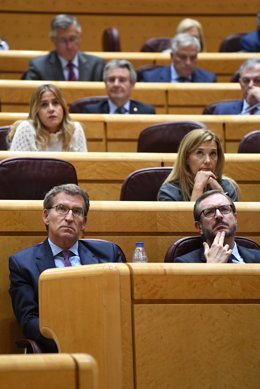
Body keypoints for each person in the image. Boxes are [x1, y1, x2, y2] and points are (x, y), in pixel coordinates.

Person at [9, 183, 125, 353]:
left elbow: (121, 306)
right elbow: (29, 321)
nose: (69, 217)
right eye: (62, 208)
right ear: (46, 216)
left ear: (84, 222)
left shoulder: (109, 255)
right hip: (56, 348)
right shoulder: (23, 263)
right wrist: (69, 337)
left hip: (106, 345)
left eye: (77, 211)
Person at [174, 189, 260, 263]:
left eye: (224, 209)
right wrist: (212, 268)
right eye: (209, 212)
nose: (218, 215)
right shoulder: (184, 264)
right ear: (199, 227)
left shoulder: (258, 257)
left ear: (235, 218)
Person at [158, 129, 239, 201]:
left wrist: (220, 194)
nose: (208, 161)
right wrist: (198, 188)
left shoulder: (228, 187)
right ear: (186, 158)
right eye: (199, 153)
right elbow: (188, 218)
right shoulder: (169, 192)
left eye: (213, 153)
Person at [24, 14, 105, 81]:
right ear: (53, 40)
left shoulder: (96, 65)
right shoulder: (39, 66)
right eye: (63, 40)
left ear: (80, 36)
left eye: (72, 39)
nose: (69, 46)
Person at [9, 84, 87, 152]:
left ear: (63, 107)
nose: (51, 109)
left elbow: (83, 166)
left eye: (55, 103)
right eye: (44, 105)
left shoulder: (75, 129)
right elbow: (16, 167)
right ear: (36, 111)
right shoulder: (26, 129)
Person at [80, 59, 156, 114]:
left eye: (122, 80)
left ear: (132, 84)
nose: (116, 84)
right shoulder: (91, 112)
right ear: (105, 83)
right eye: (112, 80)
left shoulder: (146, 112)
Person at [139, 33, 216, 83]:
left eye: (193, 58)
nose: (188, 63)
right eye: (182, 57)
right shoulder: (151, 79)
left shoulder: (208, 79)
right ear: (172, 56)